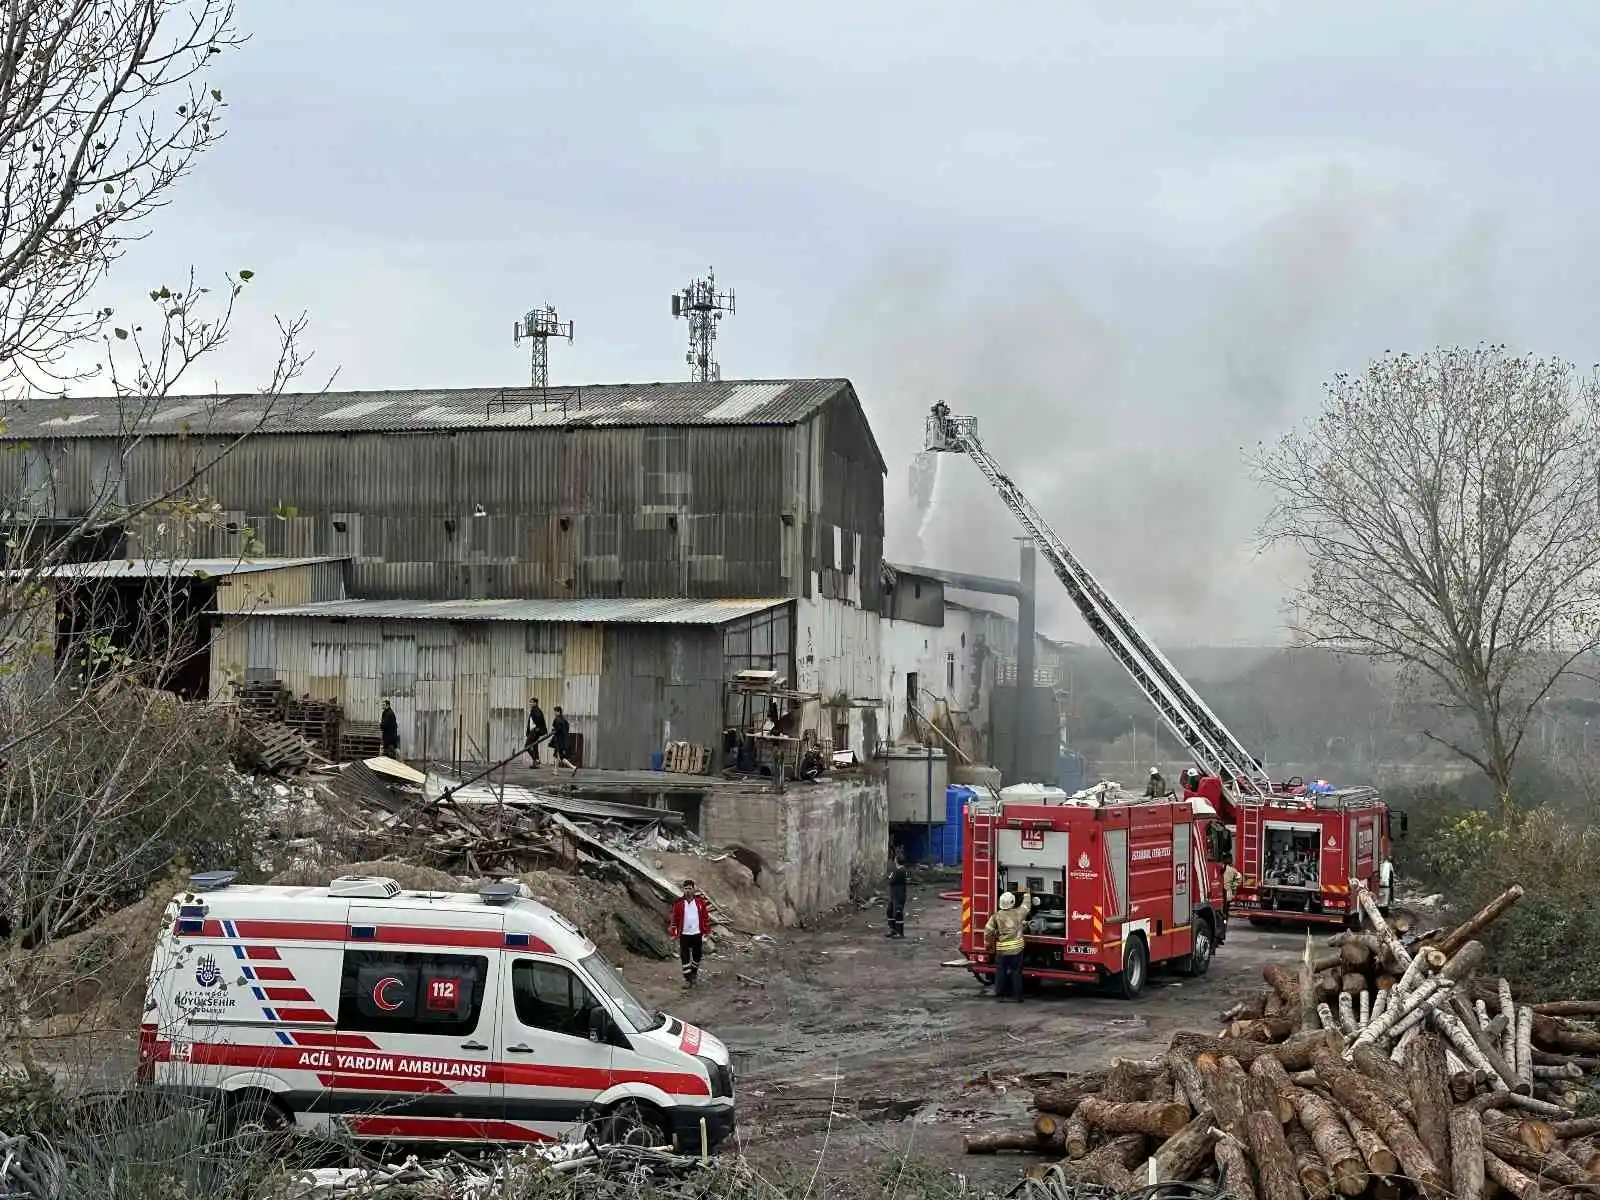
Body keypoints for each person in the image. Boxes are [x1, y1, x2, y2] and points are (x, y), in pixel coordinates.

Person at [984, 887, 1031, 1003]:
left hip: (1002, 951)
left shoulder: (996, 916)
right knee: (1016, 973)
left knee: (1001, 972)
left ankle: (999, 994)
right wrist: (1027, 894)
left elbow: (987, 930)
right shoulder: (1018, 913)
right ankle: (1018, 997)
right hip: (1016, 951)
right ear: (1012, 902)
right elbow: (1026, 907)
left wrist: (988, 943)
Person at [669, 879, 713, 988]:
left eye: (690, 888)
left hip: (697, 933)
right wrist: (674, 933)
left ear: (693, 889)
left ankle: (694, 972)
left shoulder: (699, 903)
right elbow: (675, 919)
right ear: (683, 890)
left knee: (697, 955)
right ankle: (687, 979)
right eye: (686, 889)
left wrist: (707, 931)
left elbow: (705, 917)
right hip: (684, 934)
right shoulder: (679, 903)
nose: (688, 891)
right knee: (685, 957)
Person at [885, 850, 908, 938]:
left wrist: (890, 876)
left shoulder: (900, 871)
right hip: (894, 895)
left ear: (897, 861)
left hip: (899, 895)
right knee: (890, 911)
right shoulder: (897, 870)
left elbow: (890, 880)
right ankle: (893, 930)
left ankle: (899, 932)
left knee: (897, 913)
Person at [548, 706, 575, 773]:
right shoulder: (564, 720)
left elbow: (557, 729)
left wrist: (553, 731)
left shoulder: (558, 720)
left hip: (559, 741)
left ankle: (573, 767)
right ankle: (556, 771)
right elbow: (565, 729)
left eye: (555, 711)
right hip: (563, 740)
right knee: (556, 756)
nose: (554, 713)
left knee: (561, 757)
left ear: (558, 712)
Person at [525, 698, 547, 766]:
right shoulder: (535, 710)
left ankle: (536, 760)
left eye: (531, 702)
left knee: (527, 746)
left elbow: (539, 720)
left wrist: (537, 728)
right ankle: (536, 762)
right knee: (535, 746)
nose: (530, 704)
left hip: (534, 731)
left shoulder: (536, 710)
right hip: (533, 731)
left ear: (535, 703)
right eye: (530, 702)